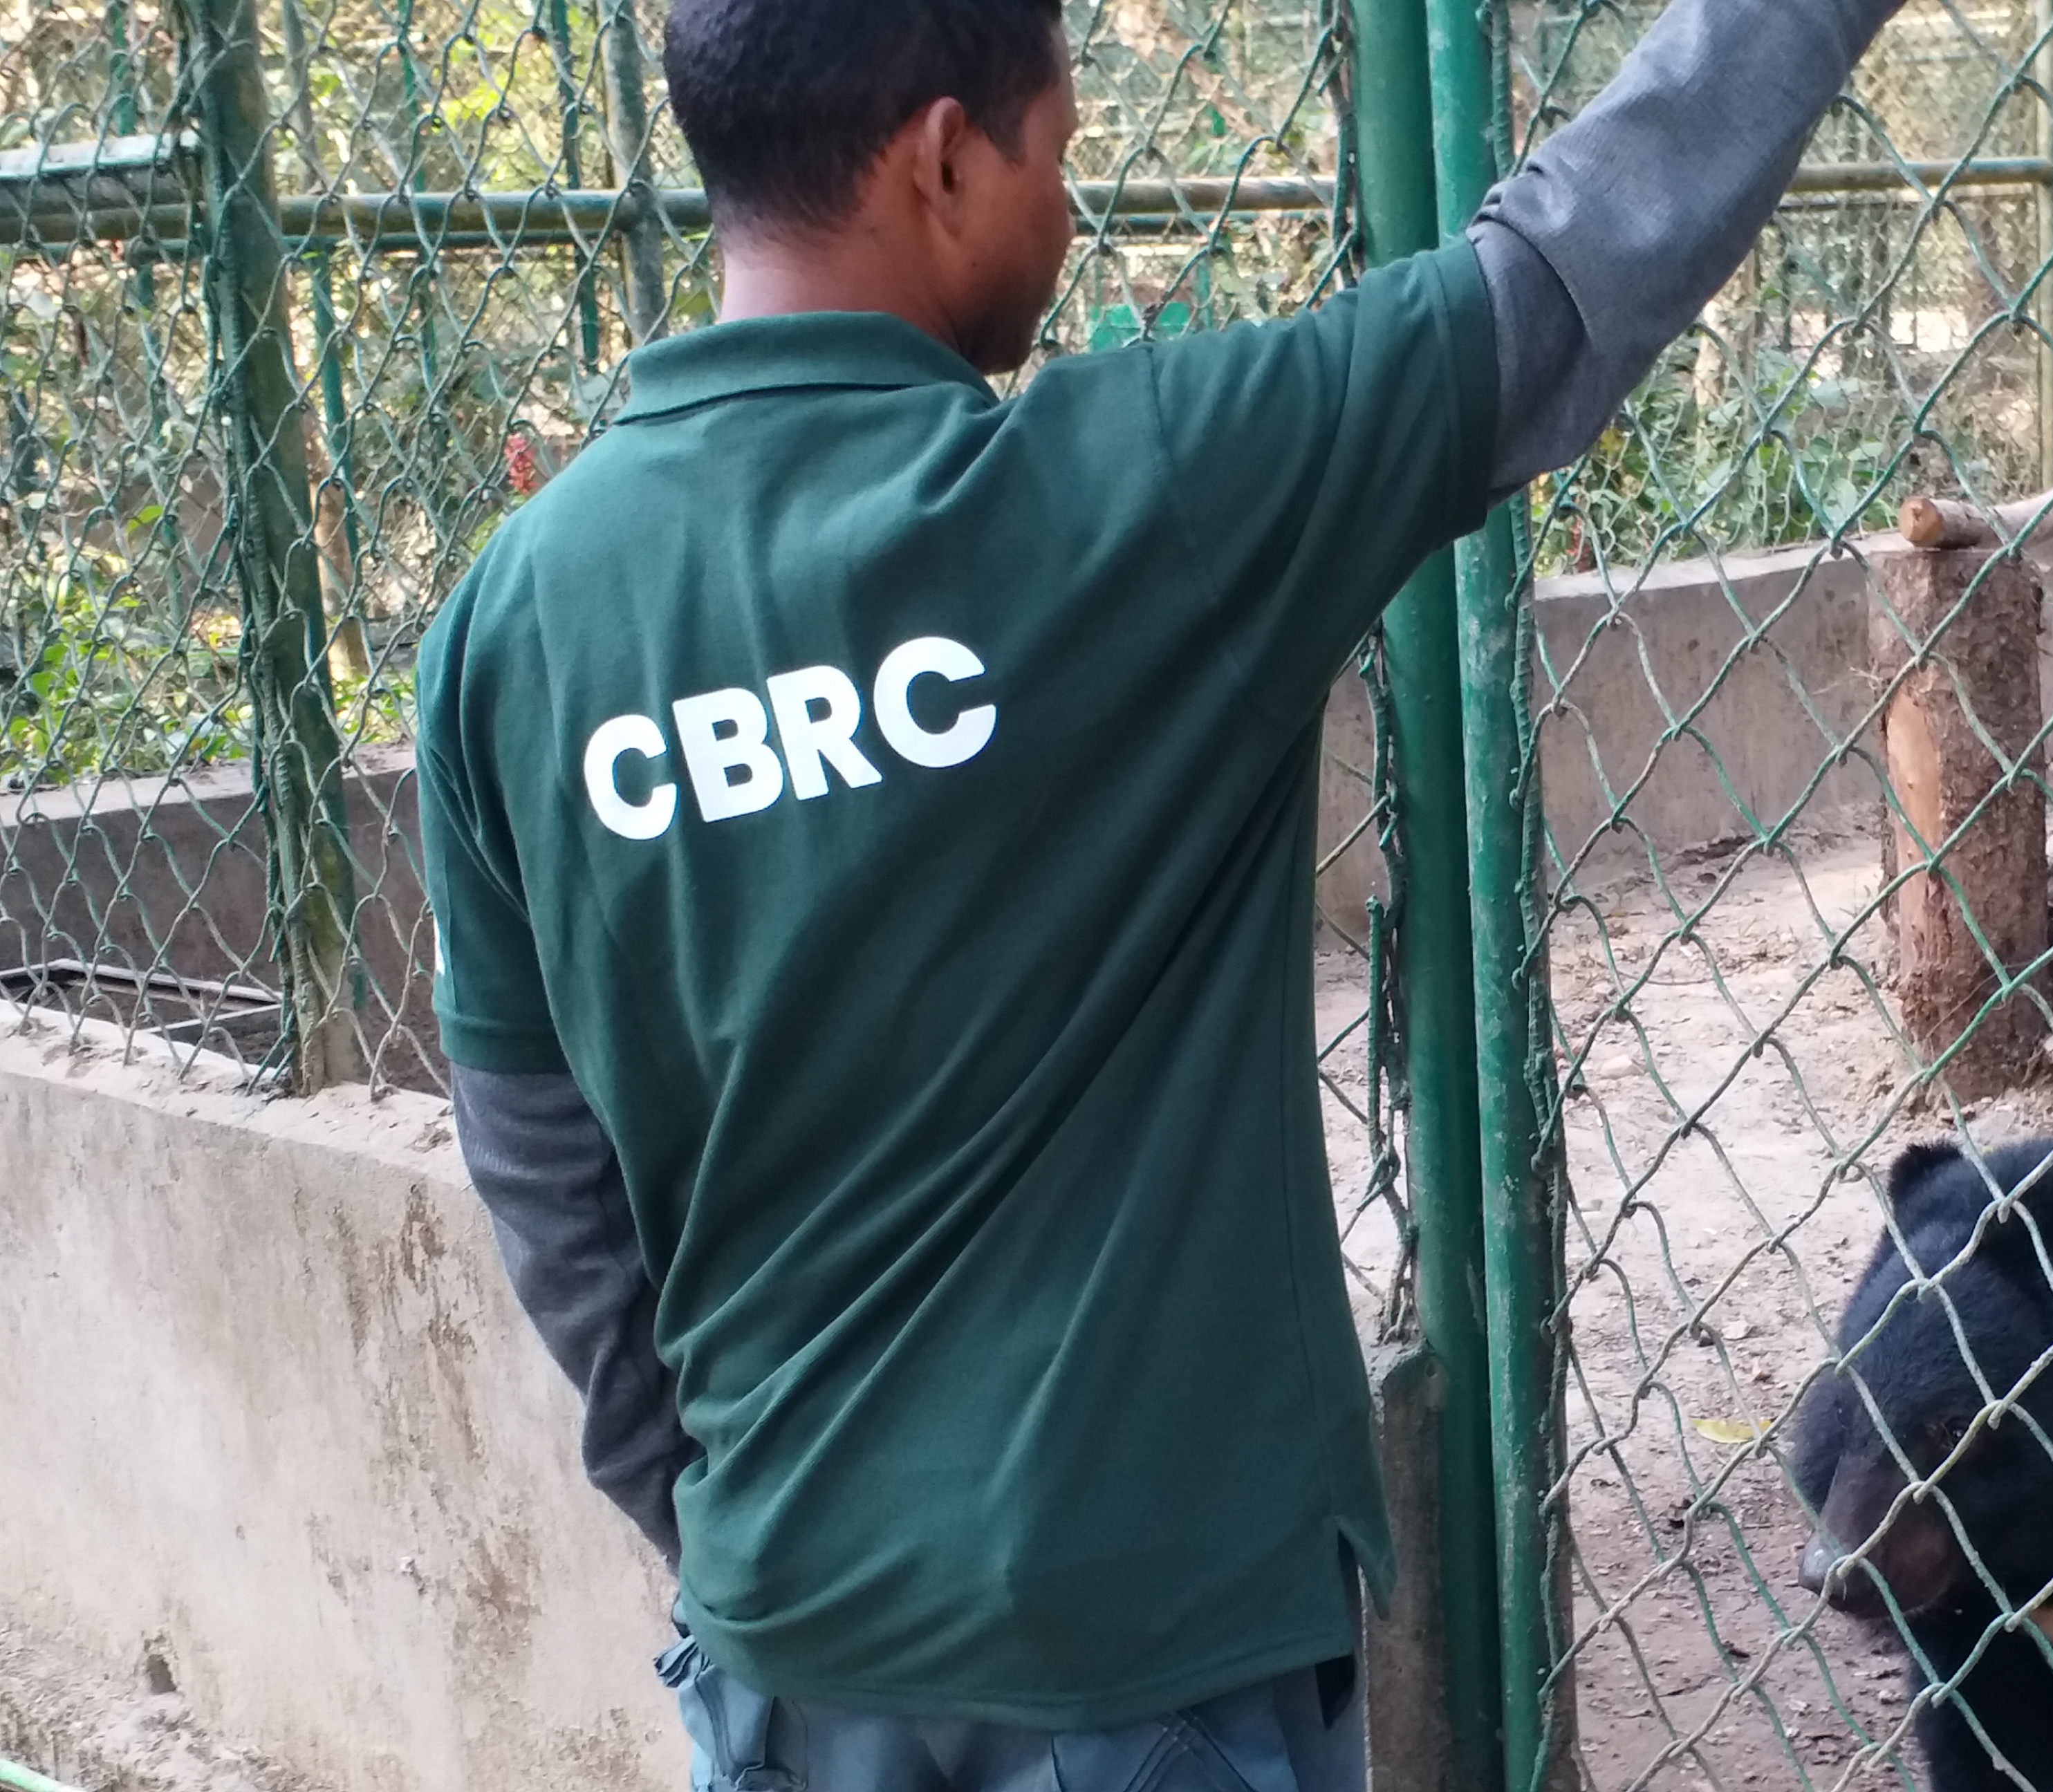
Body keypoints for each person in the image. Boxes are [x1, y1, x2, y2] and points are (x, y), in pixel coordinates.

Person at [416, 0, 1907, 1783]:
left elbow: (540, 1167)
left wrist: (731, 1527)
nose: (1067, 207)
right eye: (1053, 154)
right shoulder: (1145, 496)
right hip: (1151, 1658)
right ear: (945, 155)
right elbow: (1568, 274)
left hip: (788, 1655)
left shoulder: (513, 622)